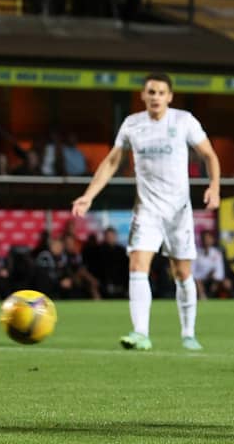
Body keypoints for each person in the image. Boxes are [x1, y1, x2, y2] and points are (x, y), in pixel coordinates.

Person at [72, 72, 221, 351]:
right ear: (142, 95)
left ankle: (188, 334)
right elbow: (112, 161)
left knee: (182, 272)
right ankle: (141, 333)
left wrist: (214, 186)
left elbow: (209, 155)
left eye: (161, 92)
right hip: (147, 210)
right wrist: (88, 196)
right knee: (138, 266)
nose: (155, 97)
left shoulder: (183, 121)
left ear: (170, 97)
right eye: (150, 92)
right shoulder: (132, 125)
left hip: (178, 210)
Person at [192, 230, 231, 300]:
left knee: (227, 283)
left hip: (213, 280)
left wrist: (215, 280)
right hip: (200, 280)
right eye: (204, 238)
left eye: (208, 238)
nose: (205, 241)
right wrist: (203, 277)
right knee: (197, 283)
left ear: (212, 240)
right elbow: (193, 272)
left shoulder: (217, 254)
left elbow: (220, 272)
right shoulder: (195, 253)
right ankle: (202, 299)